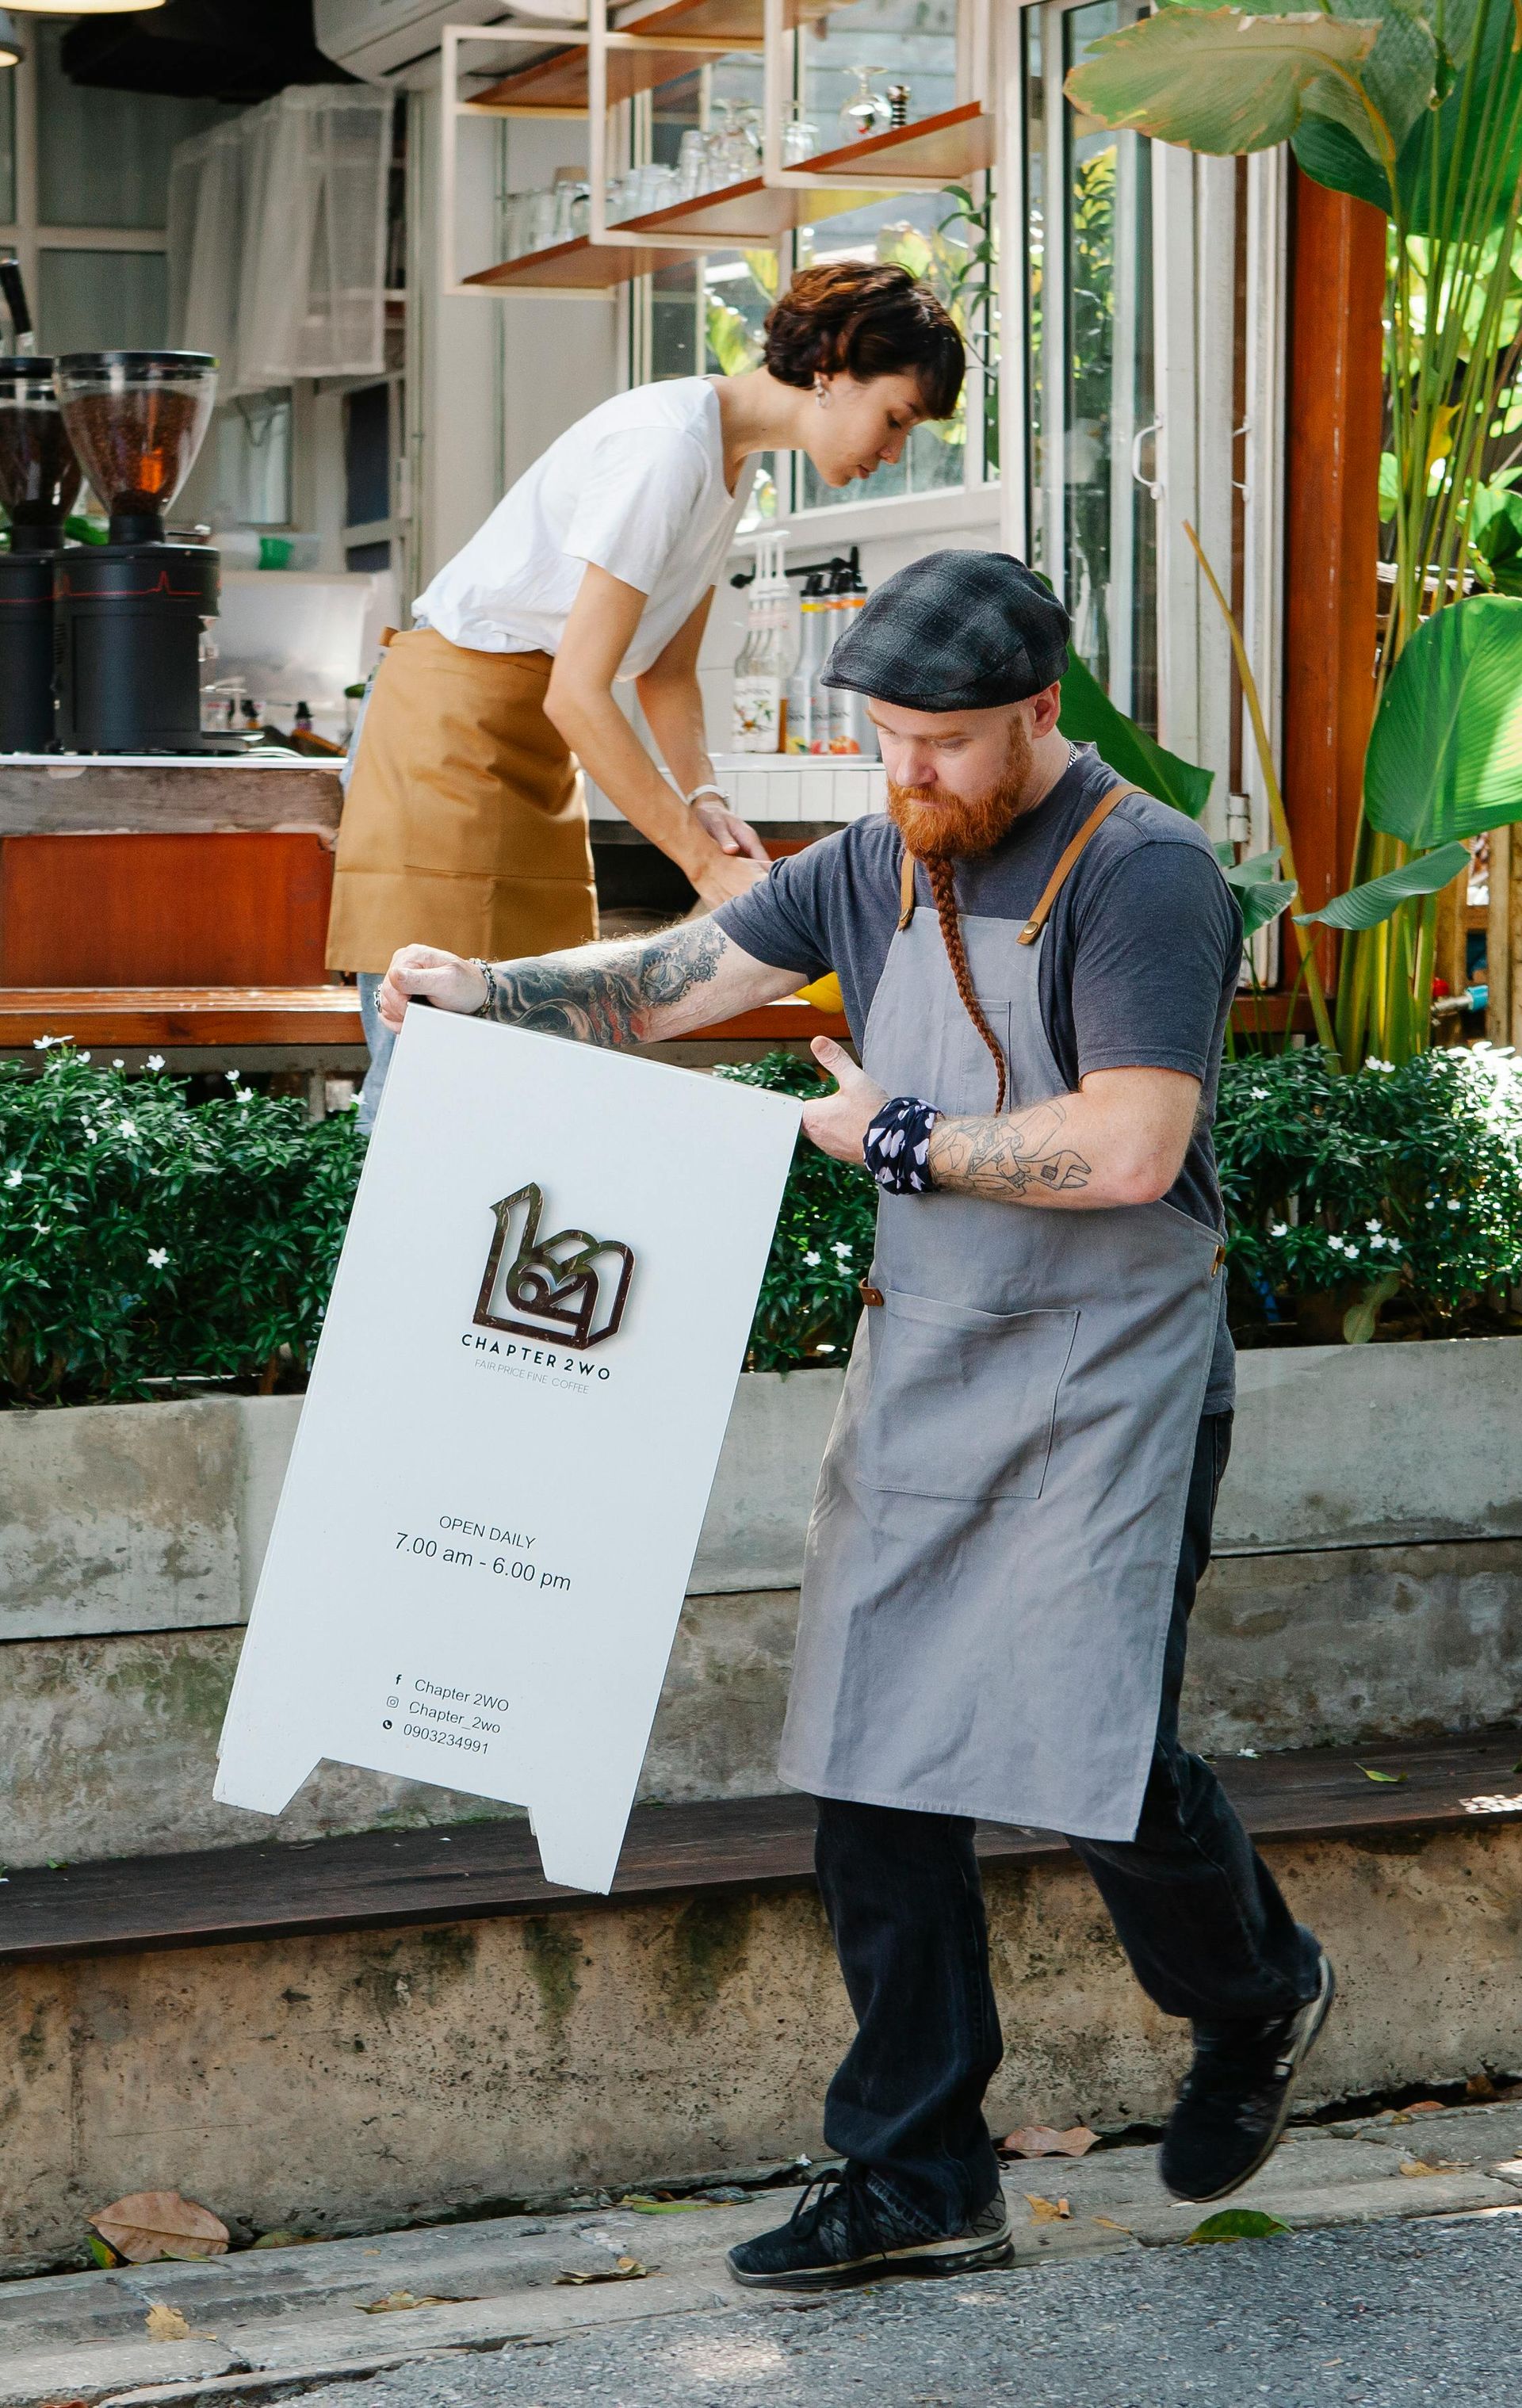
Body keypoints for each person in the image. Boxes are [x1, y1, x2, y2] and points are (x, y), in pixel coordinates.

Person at [375, 548, 1333, 2288]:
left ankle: (1259, 1992)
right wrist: (487, 990)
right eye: (887, 740)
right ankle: (917, 2169)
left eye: (946, 744)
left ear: (1041, 714)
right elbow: (672, 983)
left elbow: (1128, 1146)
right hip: (935, 1347)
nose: (909, 776)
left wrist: (895, 1141)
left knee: (1091, 1751)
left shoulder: (1148, 874)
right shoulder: (882, 854)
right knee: (871, 1757)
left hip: (1112, 1366)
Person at [329, 261, 963, 1128]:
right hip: (447, 733)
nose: (893, 451)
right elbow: (579, 694)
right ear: (832, 369)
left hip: (526, 745)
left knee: (526, 1055)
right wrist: (702, 865)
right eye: (895, 419)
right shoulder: (666, 444)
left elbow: (662, 670)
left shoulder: (727, 464)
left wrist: (703, 799)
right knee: (430, 1082)